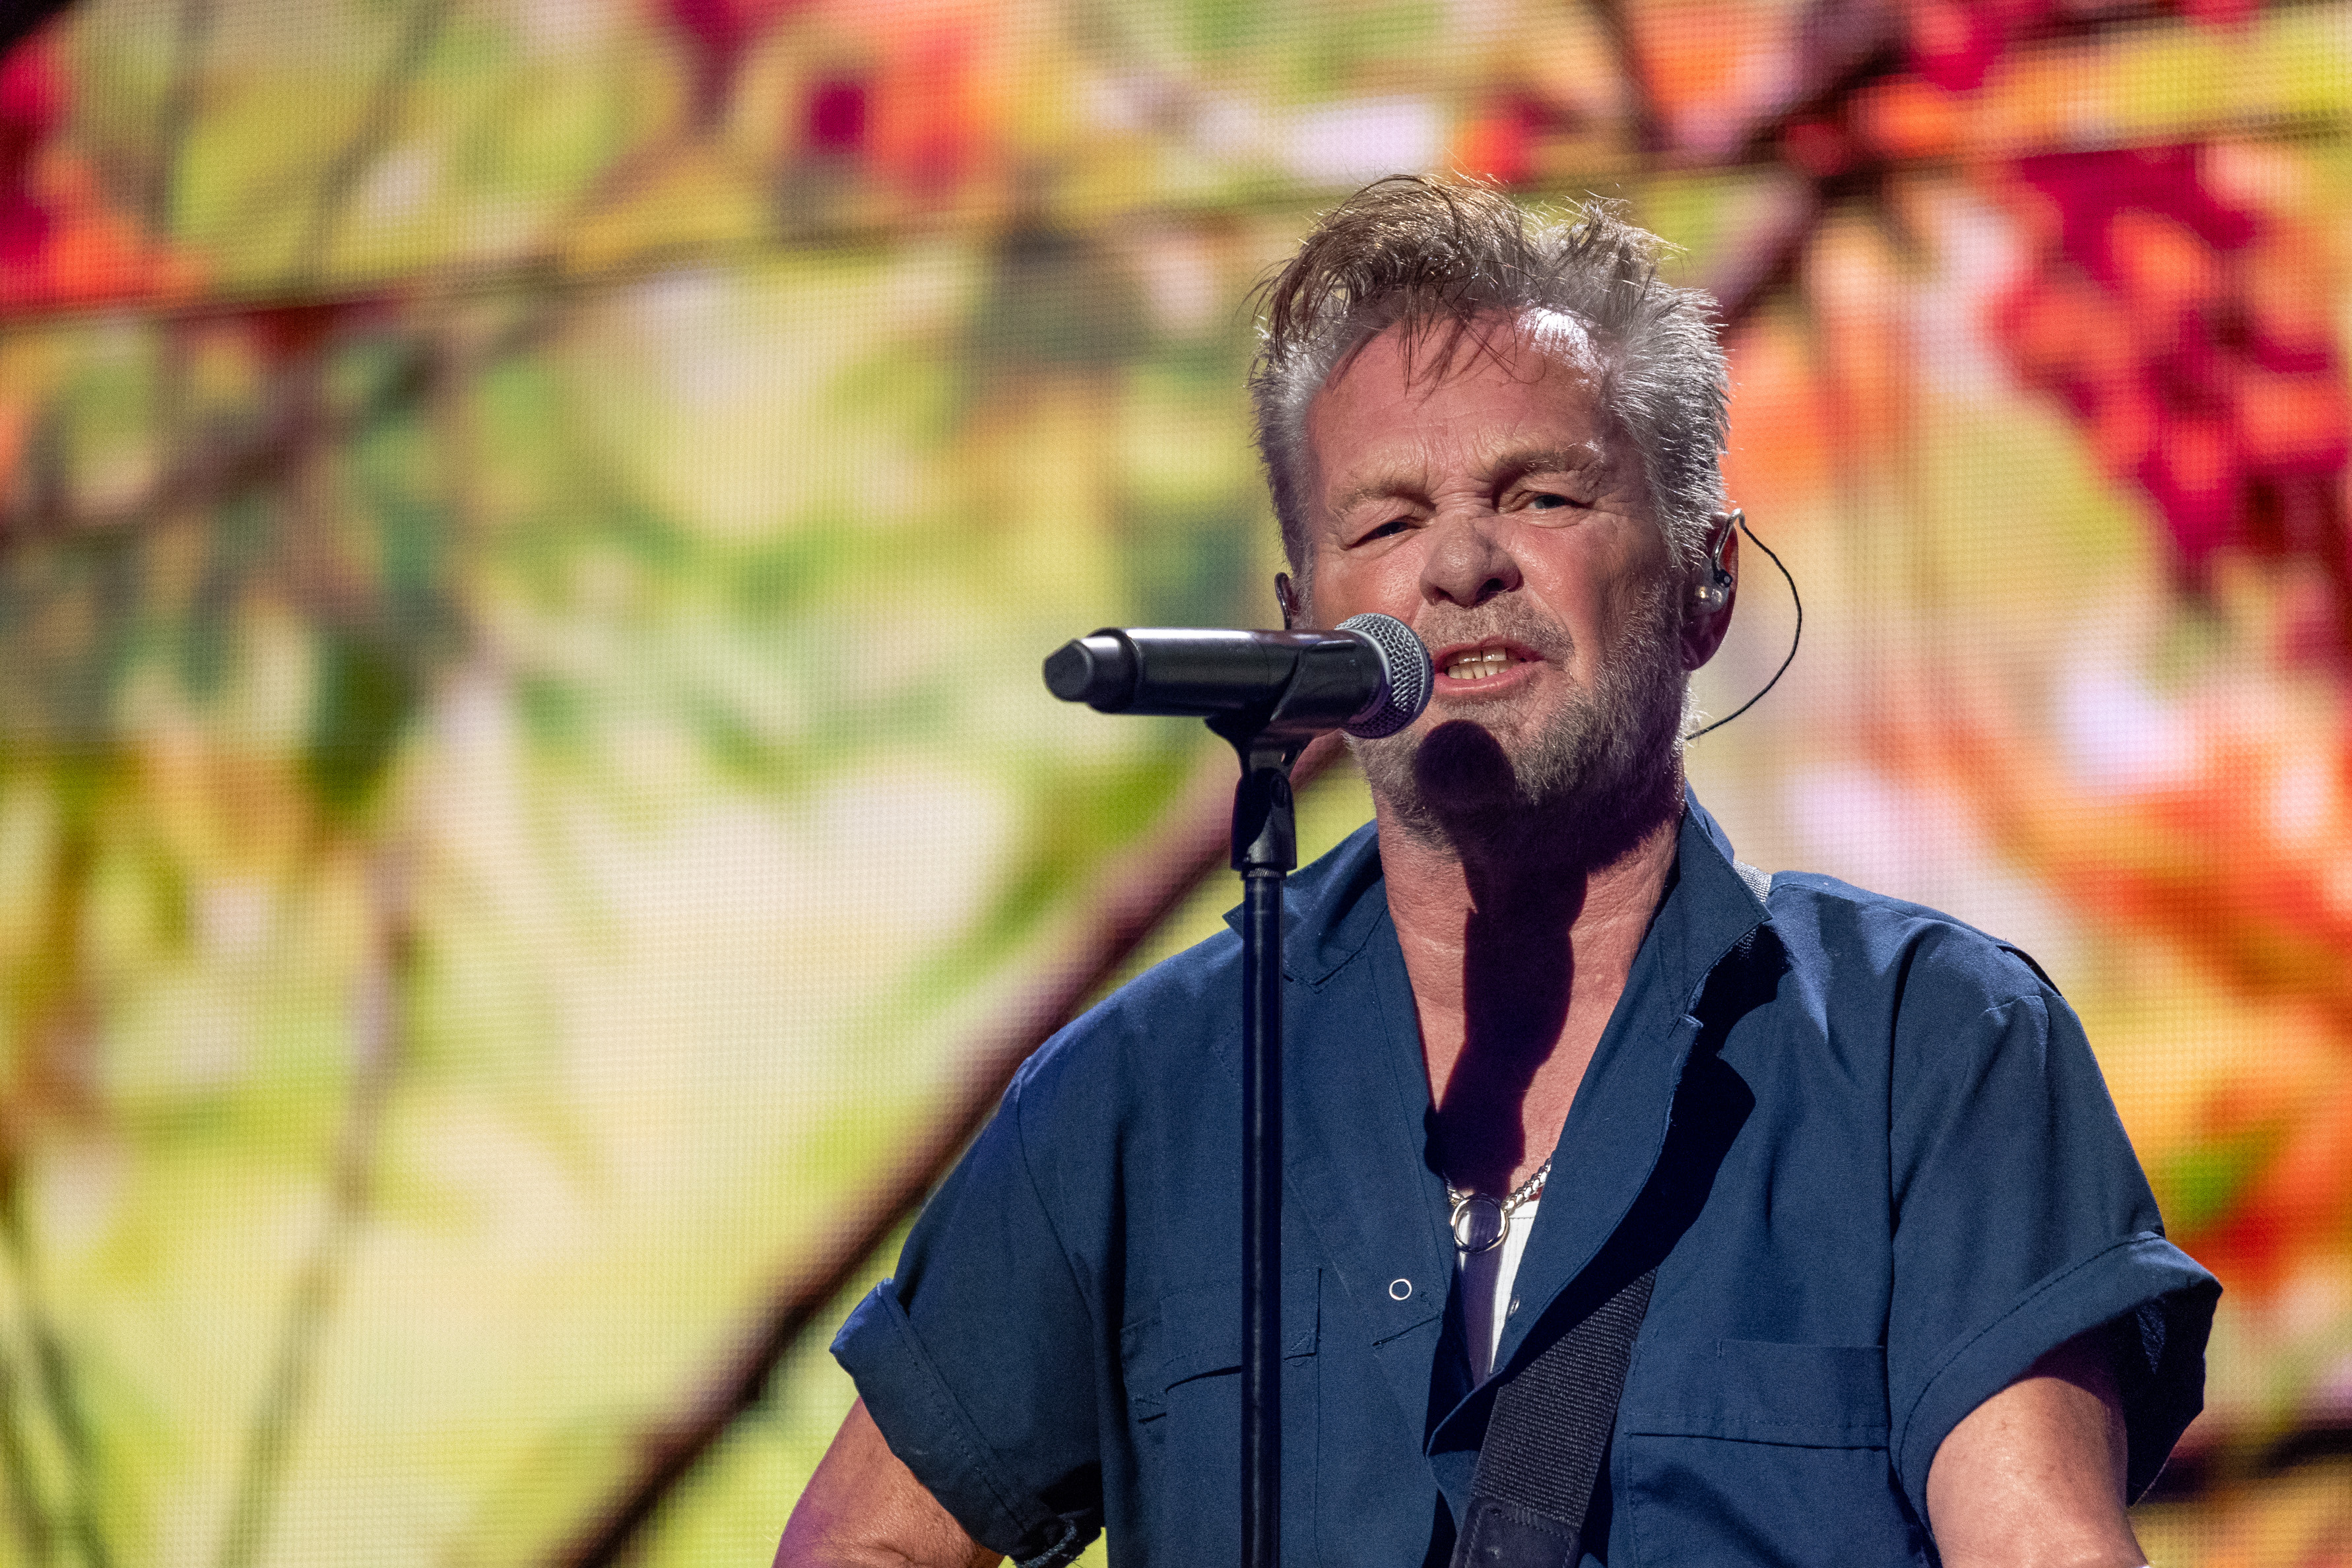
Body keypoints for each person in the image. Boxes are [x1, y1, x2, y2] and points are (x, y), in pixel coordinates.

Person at [777, 177, 2219, 1568]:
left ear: (1706, 577)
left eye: (1538, 495)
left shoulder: (1928, 1045)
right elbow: (867, 1540)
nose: (1462, 564)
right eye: (1388, 521)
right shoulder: (1146, 1093)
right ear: (1303, 622)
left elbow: (2037, 1543)